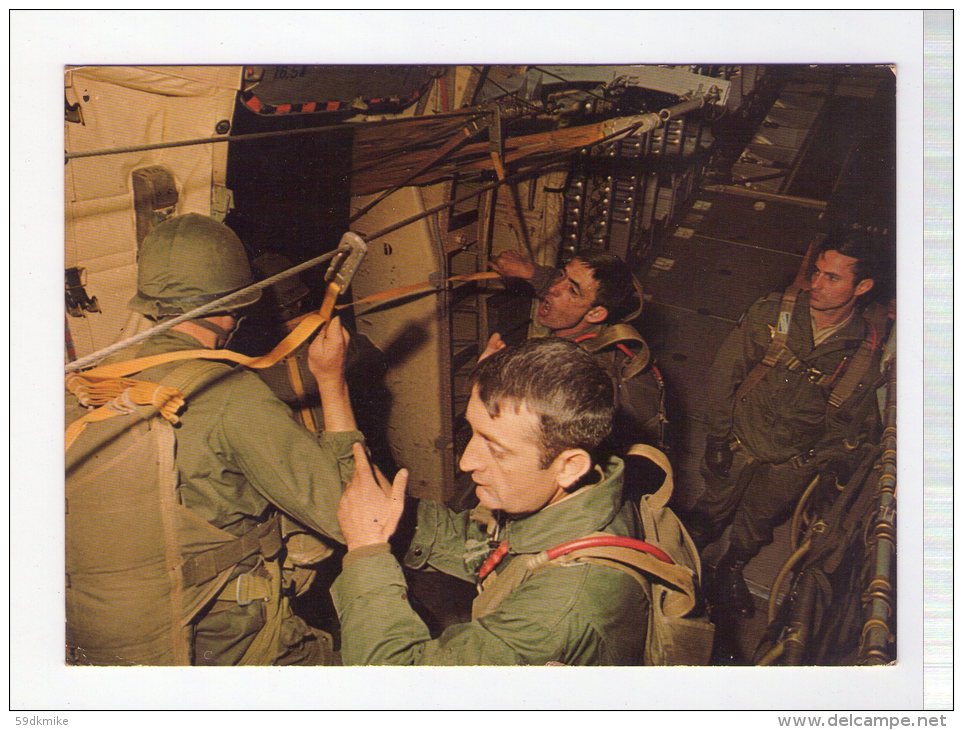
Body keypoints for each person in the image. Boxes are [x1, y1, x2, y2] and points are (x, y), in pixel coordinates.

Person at [65, 213, 362, 665]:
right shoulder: (231, 396)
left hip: (125, 651)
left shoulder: (98, 383)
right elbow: (352, 514)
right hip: (235, 649)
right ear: (234, 308)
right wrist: (332, 382)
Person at [329, 338, 651, 665]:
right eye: (473, 431)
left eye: (496, 449)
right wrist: (333, 386)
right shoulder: (580, 495)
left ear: (569, 467)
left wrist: (366, 550)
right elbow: (485, 543)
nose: (466, 462)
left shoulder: (560, 611)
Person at [685, 228, 884, 618]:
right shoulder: (772, 314)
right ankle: (684, 564)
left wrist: (807, 463)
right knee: (709, 510)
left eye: (832, 278)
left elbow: (849, 426)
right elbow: (725, 374)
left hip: (790, 462)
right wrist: (718, 437)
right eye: (817, 272)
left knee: (757, 526)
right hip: (739, 441)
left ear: (862, 287)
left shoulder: (863, 353)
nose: (817, 284)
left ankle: (731, 568)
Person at [489, 249, 666, 452]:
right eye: (561, 275)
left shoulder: (575, 375)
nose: (553, 288)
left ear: (595, 313)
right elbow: (560, 283)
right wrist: (532, 272)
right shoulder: (605, 333)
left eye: (572, 290)